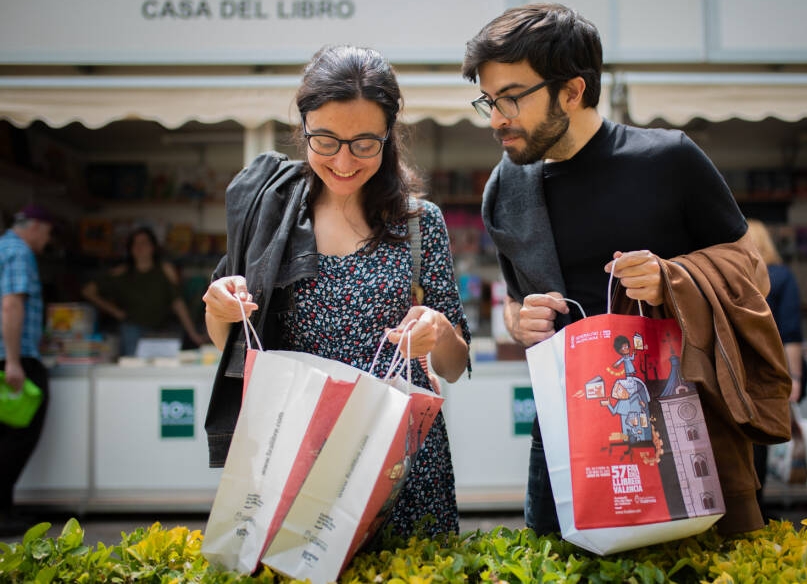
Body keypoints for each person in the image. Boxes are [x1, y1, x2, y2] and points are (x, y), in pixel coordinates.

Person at [463, 2, 791, 538]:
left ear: (572, 91)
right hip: (569, 434)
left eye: (511, 98)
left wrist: (672, 279)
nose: (497, 118)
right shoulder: (506, 188)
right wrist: (519, 321)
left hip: (685, 424)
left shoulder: (669, 159)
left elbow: (752, 273)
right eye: (489, 101)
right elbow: (519, 304)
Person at [202, 45, 470, 542]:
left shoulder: (418, 223)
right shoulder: (270, 214)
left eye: (365, 143)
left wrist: (438, 332)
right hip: (300, 453)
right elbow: (230, 345)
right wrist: (220, 308)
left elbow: (454, 365)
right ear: (303, 127)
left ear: (388, 137)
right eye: (325, 140)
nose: (344, 161)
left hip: (402, 462)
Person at [746, 219, 807, 516]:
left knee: (741, 440)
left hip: (737, 370)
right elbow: (792, 333)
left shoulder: (731, 277)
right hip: (772, 371)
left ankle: (746, 506)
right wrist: (794, 377)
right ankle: (760, 504)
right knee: (766, 436)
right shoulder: (782, 277)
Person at [0, 204, 54, 536]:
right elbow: (11, 303)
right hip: (14, 361)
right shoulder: (19, 252)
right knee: (18, 437)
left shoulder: (3, 246)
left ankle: (5, 510)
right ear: (35, 227)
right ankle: (2, 513)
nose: (47, 240)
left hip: (9, 356)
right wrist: (14, 360)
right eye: (47, 232)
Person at [81, 227, 209, 356]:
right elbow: (88, 291)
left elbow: (177, 303)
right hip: (132, 328)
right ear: (130, 248)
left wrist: (193, 334)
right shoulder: (121, 272)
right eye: (135, 243)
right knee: (132, 365)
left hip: (162, 328)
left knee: (165, 365)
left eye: (144, 243)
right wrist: (115, 311)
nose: (139, 247)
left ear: (153, 247)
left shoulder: (165, 269)